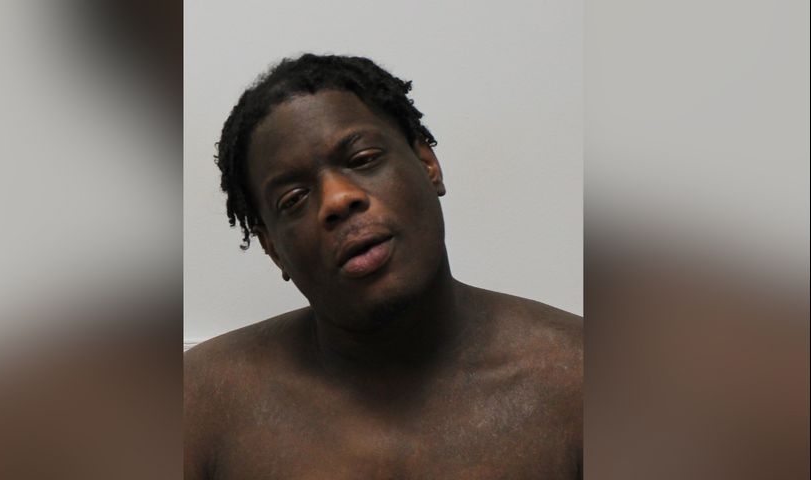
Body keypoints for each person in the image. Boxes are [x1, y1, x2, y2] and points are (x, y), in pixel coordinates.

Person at [184, 53, 582, 479]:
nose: (338, 199)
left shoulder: (583, 379)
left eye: (363, 159)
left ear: (428, 164)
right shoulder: (200, 402)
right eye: (294, 199)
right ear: (272, 248)